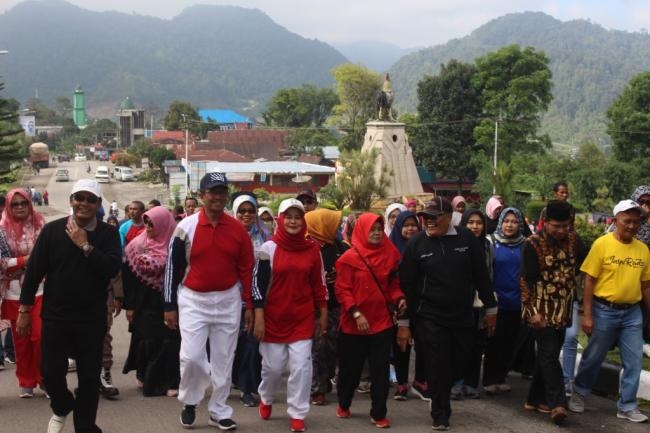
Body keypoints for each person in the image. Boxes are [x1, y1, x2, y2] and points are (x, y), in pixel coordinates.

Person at [17, 179, 122, 433]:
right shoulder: (53, 231)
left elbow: (111, 268)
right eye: (79, 198)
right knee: (50, 373)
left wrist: (85, 245)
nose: (83, 203)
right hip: (56, 316)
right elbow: (34, 272)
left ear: (98, 203)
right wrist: (24, 310)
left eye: (90, 199)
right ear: (71, 201)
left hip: (91, 318)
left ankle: (85, 427)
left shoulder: (108, 235)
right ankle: (63, 405)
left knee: (88, 378)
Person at [163, 172, 254, 431]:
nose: (217, 197)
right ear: (202, 196)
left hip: (228, 300)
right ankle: (191, 400)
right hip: (193, 300)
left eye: (222, 192)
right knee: (191, 357)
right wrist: (169, 305)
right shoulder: (186, 227)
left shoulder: (237, 229)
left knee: (224, 359)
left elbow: (247, 269)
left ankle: (218, 410)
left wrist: (249, 305)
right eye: (212, 192)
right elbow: (172, 268)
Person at [400, 197, 497, 431]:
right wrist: (404, 322)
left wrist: (491, 308)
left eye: (434, 217)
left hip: (462, 314)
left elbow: (481, 276)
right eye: (425, 218)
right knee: (438, 362)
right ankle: (440, 412)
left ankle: (442, 389)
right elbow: (406, 286)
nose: (429, 222)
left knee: (461, 359)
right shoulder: (416, 244)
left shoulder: (466, 239)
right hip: (429, 316)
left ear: (449, 217)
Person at [569, 200, 650, 423]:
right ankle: (579, 392)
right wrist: (587, 314)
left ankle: (627, 406)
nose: (632, 226)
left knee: (634, 360)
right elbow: (589, 281)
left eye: (636, 221)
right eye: (627, 221)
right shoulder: (602, 244)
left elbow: (646, 286)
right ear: (615, 221)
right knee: (594, 357)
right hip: (604, 309)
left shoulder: (642, 249)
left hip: (632, 313)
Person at [253, 199, 328, 433]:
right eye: (289, 217)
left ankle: (297, 412)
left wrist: (323, 312)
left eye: (298, 217)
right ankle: (266, 396)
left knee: (302, 367)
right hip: (273, 317)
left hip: (302, 318)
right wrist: (259, 317)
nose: (294, 221)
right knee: (273, 368)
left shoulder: (312, 248)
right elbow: (257, 285)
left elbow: (319, 283)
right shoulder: (268, 249)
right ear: (281, 219)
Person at [334, 212, 408, 429]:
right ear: (361, 231)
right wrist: (356, 313)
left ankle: (378, 412)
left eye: (379, 229)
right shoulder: (348, 258)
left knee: (380, 371)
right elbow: (342, 289)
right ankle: (344, 402)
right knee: (351, 370)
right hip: (353, 324)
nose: (376, 233)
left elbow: (393, 285)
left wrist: (399, 298)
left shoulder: (390, 253)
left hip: (381, 323)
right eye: (371, 229)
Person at [520, 200, 586, 425]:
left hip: (564, 309)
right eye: (556, 226)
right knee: (549, 354)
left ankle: (533, 399)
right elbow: (526, 280)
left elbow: (584, 266)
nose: (561, 230)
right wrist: (532, 311)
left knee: (547, 355)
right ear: (545, 223)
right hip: (541, 310)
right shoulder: (532, 243)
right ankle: (558, 404)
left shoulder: (575, 241)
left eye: (565, 226)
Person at [123, 205, 180, 397]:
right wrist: (129, 306)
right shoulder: (136, 246)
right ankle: (150, 381)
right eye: (145, 221)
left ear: (164, 224)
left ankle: (170, 381)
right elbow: (128, 278)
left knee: (170, 342)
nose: (147, 226)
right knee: (149, 341)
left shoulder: (176, 246)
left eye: (152, 222)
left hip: (169, 301)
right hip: (143, 302)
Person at [0, 188, 46, 398]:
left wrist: (21, 264)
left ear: (30, 203)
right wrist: (25, 261)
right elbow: (2, 264)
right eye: (14, 204)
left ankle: (45, 379)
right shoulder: (1, 229)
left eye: (23, 203)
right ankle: (26, 381)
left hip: (41, 288)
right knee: (21, 341)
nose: (19, 207)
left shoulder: (40, 224)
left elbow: (48, 255)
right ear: (8, 207)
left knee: (41, 336)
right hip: (14, 292)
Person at [482, 207, 527, 395]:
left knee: (511, 341)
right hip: (497, 300)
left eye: (514, 221)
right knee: (494, 340)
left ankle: (501, 377)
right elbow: (485, 271)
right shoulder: (491, 242)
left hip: (517, 301)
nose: (510, 225)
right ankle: (489, 379)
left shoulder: (525, 244)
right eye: (507, 221)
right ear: (501, 222)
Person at [305, 208, 347, 406]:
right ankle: (317, 389)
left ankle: (328, 377)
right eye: (332, 223)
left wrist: (338, 276)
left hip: (336, 305)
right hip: (312, 306)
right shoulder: (306, 246)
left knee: (333, 346)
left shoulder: (340, 245)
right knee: (317, 348)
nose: (337, 227)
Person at [231, 192, 269, 407]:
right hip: (230, 297)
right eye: (242, 211)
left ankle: (247, 388)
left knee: (251, 344)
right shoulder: (228, 234)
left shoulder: (264, 235)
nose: (247, 214)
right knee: (232, 345)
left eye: (251, 210)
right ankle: (233, 379)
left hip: (256, 298)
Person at [451, 209, 493, 400]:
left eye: (479, 223)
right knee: (459, 343)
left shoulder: (488, 246)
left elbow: (491, 272)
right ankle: (456, 383)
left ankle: (471, 383)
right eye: (471, 222)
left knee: (477, 344)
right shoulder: (456, 244)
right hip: (461, 300)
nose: (475, 226)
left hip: (482, 302)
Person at [388, 211, 425, 401]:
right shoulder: (391, 249)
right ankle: (401, 383)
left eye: (414, 225)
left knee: (424, 342)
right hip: (399, 303)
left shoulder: (425, 245)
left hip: (421, 302)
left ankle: (420, 380)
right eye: (406, 225)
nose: (410, 229)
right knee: (402, 344)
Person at [100, 215, 123, 399]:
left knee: (103, 334)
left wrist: (118, 295)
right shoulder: (70, 232)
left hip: (104, 294)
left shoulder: (107, 235)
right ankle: (89, 380)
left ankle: (106, 375)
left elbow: (115, 269)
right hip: (77, 297)